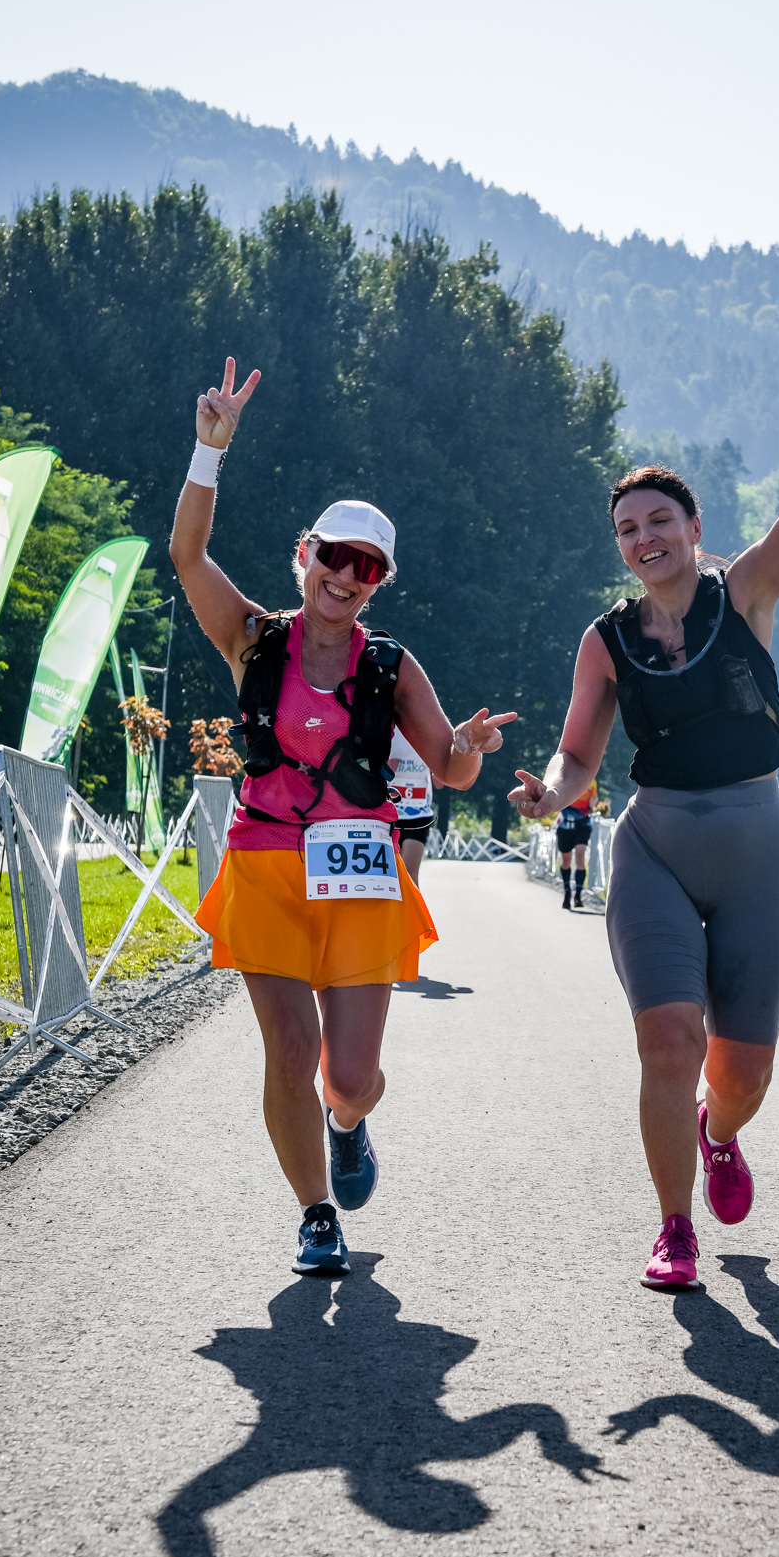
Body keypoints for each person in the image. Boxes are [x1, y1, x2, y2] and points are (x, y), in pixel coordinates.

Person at [510, 319, 779, 1289]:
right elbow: (579, 753)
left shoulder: (748, 593)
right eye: (627, 529)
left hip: (757, 853)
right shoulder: (606, 640)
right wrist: (550, 791)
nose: (643, 539)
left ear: (693, 529)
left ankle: (718, 1132)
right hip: (655, 845)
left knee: (741, 1075)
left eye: (659, 521)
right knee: (666, 1039)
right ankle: (673, 1228)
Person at [171, 357, 514, 1277]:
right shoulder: (253, 638)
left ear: (377, 581)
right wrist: (209, 453)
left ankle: (347, 1124)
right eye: (333, 556)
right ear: (306, 555)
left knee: (350, 1078)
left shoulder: (391, 666)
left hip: (361, 873)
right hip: (265, 864)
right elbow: (189, 558)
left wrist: (471, 746)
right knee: (290, 1049)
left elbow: (448, 767)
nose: (344, 575)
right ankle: (316, 1212)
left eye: (365, 567)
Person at [386, 726, 437, 886]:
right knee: (389, 874)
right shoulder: (384, 726)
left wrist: (438, 766)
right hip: (388, 813)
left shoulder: (428, 729)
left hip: (418, 814)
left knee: (410, 873)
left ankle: (413, 904)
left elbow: (440, 783)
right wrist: (385, 765)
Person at [555, 778, 598, 908]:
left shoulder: (591, 781)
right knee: (566, 860)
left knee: (580, 856)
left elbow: (593, 803)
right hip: (565, 825)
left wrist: (592, 798)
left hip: (582, 824)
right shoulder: (564, 778)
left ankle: (578, 895)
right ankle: (567, 892)